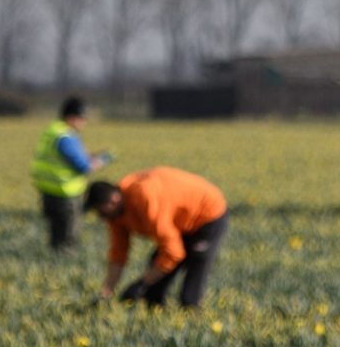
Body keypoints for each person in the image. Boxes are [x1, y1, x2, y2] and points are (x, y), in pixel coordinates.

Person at [86, 166, 228, 308]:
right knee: (154, 281)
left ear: (113, 200)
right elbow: (118, 254)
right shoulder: (115, 215)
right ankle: (156, 309)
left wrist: (142, 283)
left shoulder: (144, 198)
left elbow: (173, 253)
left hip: (207, 213)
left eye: (100, 209)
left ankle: (191, 310)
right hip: (179, 222)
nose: (99, 216)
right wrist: (106, 293)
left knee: (197, 262)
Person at [30, 96, 112, 253]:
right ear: (72, 117)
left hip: (48, 193)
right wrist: (103, 160)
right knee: (68, 242)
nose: (84, 123)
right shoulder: (66, 136)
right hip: (65, 195)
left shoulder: (52, 131)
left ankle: (51, 267)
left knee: (55, 240)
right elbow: (83, 166)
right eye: (82, 118)